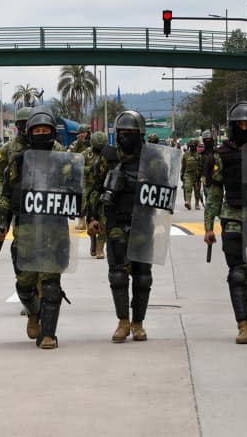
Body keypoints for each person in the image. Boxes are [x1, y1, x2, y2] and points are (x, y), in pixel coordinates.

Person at [0, 107, 76, 349]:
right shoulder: (19, 162)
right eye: (37, 130)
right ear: (30, 133)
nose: (42, 134)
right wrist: (2, 223)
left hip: (54, 230)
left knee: (51, 284)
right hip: (27, 230)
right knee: (25, 283)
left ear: (52, 132)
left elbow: (76, 188)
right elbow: (8, 196)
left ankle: (49, 334)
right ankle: (33, 313)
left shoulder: (64, 158)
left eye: (46, 130)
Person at [203, 101, 247, 344]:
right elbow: (214, 192)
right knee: (237, 273)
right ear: (233, 126)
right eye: (239, 123)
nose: (244, 127)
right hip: (232, 216)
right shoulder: (222, 155)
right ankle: (242, 325)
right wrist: (208, 226)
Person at [88, 110, 153, 343]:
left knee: (143, 276)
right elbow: (94, 187)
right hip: (116, 220)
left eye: (131, 132)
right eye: (122, 132)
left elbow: (164, 187)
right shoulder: (108, 157)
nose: (126, 136)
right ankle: (123, 322)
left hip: (144, 222)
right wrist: (92, 217)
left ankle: (139, 324)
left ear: (140, 133)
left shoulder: (151, 157)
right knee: (117, 274)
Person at [83, 131, 108, 259]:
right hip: (88, 191)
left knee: (103, 219)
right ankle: (93, 242)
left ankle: (100, 248)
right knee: (91, 218)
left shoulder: (109, 154)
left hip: (103, 190)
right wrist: (90, 169)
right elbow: (77, 167)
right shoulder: (86, 154)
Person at [181, 140, 203, 210]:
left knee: (197, 191)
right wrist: (182, 175)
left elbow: (201, 166)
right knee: (188, 188)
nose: (192, 147)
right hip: (188, 174)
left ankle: (197, 204)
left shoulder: (199, 155)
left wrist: (201, 176)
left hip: (197, 175)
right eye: (191, 146)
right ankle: (188, 202)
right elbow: (183, 166)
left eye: (194, 145)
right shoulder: (186, 154)